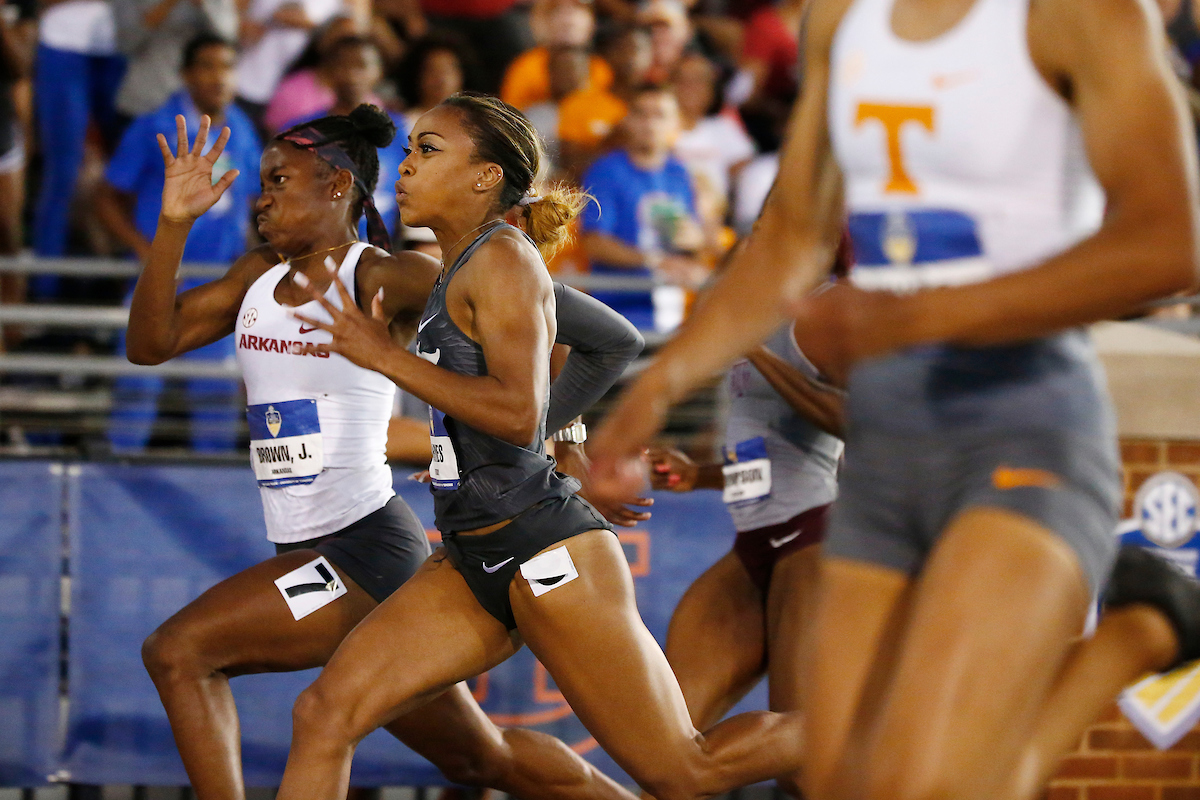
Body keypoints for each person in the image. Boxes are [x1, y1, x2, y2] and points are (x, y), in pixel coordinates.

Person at [587, 1, 1200, 800]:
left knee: (930, 785)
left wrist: (919, 314)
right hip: (887, 454)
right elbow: (790, 235)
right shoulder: (841, 19)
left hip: (1020, 420)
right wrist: (661, 383)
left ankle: (1125, 644)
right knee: (846, 779)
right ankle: (1139, 632)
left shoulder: (1077, 13)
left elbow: (1171, 243)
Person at [270, 92, 805, 800]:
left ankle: (876, 722)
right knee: (324, 714)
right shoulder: (468, 263)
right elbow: (613, 341)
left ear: (485, 177)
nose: (406, 166)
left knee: (684, 770)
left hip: (542, 549)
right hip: (472, 554)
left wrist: (386, 358)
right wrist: (547, 434)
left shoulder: (502, 261)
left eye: (428, 150)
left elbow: (518, 411)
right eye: (409, 150)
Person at [128, 100, 646, 800]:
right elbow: (150, 343)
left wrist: (562, 433)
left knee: (180, 652)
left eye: (279, 180)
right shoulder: (257, 275)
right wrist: (173, 224)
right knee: (481, 760)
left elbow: (553, 321)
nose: (261, 197)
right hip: (307, 546)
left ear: (337, 184)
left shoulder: (382, 275)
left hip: (361, 549)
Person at [99, 33, 260, 452]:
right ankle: (117, 468)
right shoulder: (154, 125)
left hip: (220, 285)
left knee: (217, 396)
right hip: (158, 282)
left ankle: (212, 479)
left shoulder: (242, 129)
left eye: (227, 67)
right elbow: (107, 196)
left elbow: (248, 203)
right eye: (207, 66)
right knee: (138, 385)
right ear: (186, 74)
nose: (218, 76)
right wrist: (142, 248)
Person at [579, 83, 711, 332]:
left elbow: (692, 241)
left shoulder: (680, 174)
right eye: (641, 114)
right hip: (617, 312)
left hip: (672, 312)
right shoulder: (605, 171)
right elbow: (594, 242)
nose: (649, 123)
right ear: (627, 120)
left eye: (660, 115)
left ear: (676, 123)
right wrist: (655, 262)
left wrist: (695, 240)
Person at [30, 0, 124, 268]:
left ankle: (138, 279)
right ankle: (45, 281)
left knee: (132, 170)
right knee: (64, 172)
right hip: (62, 43)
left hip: (127, 43)